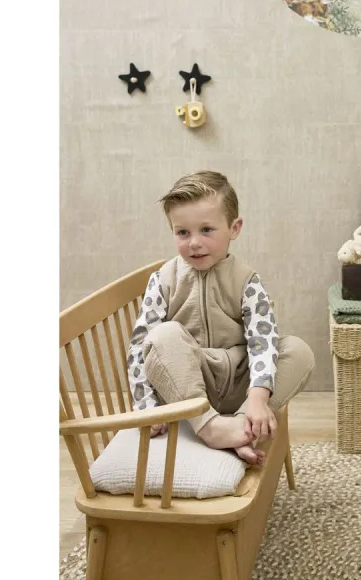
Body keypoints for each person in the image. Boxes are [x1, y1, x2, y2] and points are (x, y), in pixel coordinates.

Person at [127, 170, 315, 465]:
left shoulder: (246, 280)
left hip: (240, 383)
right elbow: (140, 348)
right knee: (162, 335)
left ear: (234, 228)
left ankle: (242, 424)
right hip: (186, 388)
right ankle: (210, 427)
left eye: (206, 230)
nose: (194, 242)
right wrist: (145, 405)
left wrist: (257, 398)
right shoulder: (163, 280)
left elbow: (262, 340)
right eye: (182, 232)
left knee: (297, 350)